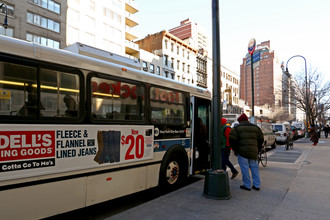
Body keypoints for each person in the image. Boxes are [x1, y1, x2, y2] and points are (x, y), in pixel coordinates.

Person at [229, 113, 264, 191]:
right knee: (255, 169)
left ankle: (247, 185)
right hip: (254, 152)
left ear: (240, 121)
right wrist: (257, 148)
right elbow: (261, 139)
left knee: (245, 169)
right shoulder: (256, 128)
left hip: (242, 152)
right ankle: (256, 185)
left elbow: (231, 139)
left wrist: (236, 149)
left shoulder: (236, 128)